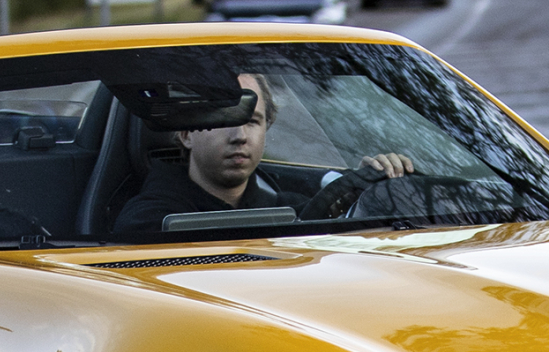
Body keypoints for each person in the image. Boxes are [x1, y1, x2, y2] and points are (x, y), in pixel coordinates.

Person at [113, 72, 415, 233]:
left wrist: (360, 196)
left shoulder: (293, 205)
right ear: (186, 134)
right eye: (224, 120)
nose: (240, 136)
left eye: (253, 121)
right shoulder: (147, 222)